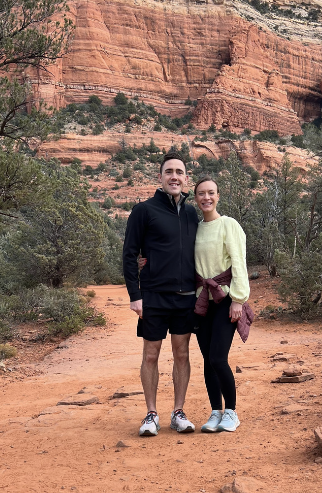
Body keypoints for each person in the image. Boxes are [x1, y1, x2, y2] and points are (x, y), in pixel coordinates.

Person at [123, 151, 199, 436]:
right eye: (169, 172)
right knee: (151, 355)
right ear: (160, 177)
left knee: (182, 354)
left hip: (185, 297)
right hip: (153, 295)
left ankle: (178, 412)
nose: (174, 177)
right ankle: (151, 414)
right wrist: (135, 295)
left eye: (179, 172)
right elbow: (130, 253)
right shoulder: (144, 210)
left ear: (185, 178)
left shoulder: (192, 213)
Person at [193, 175, 253, 433]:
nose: (206, 197)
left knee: (218, 357)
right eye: (201, 193)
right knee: (207, 359)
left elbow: (239, 262)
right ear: (195, 199)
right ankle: (215, 411)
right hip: (201, 301)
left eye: (211, 193)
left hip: (226, 298)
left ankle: (231, 412)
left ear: (218, 196)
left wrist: (239, 300)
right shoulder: (195, 228)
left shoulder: (229, 225)